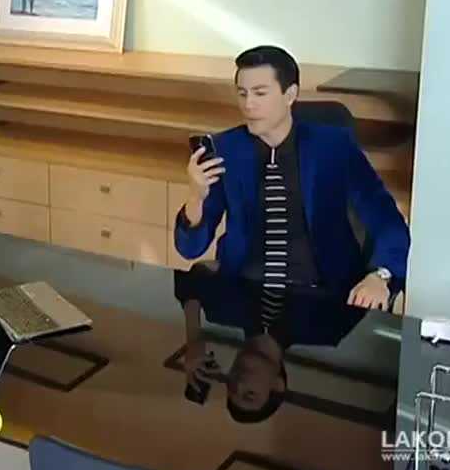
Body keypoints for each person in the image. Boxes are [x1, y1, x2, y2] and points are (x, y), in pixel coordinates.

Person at [174, 45, 410, 310]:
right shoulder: (226, 150)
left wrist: (381, 276)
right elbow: (190, 249)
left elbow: (388, 220)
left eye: (260, 93)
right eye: (242, 93)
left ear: (290, 95)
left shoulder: (333, 147)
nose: (248, 104)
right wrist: (196, 197)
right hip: (247, 295)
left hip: (322, 297)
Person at [175, 264, 364, 423]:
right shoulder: (327, 329)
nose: (238, 384)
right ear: (277, 385)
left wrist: (193, 336)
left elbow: (185, 266)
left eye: (231, 388)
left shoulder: (221, 310)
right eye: (249, 394)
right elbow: (365, 279)